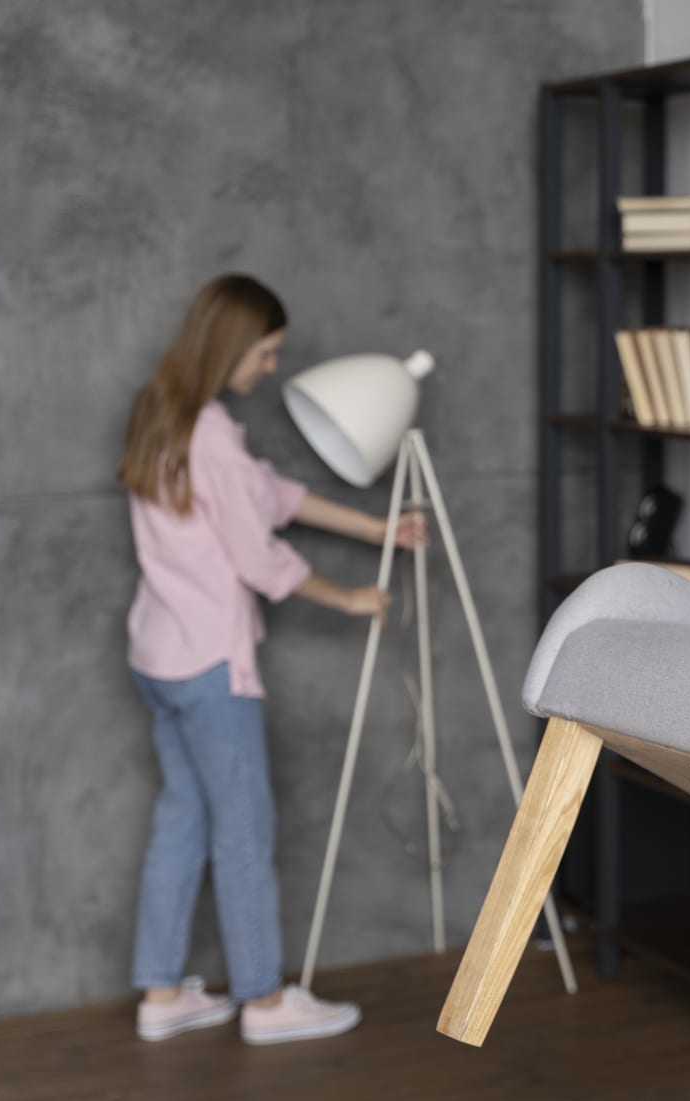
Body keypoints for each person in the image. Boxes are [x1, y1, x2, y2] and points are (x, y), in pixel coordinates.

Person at [119, 274, 425, 1044]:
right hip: (210, 664)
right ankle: (262, 1001)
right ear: (231, 346)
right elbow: (260, 556)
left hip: (158, 656)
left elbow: (270, 495)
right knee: (245, 827)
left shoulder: (166, 415)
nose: (270, 367)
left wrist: (373, 530)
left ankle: (161, 996)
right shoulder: (211, 434)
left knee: (185, 816)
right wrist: (350, 596)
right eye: (266, 352)